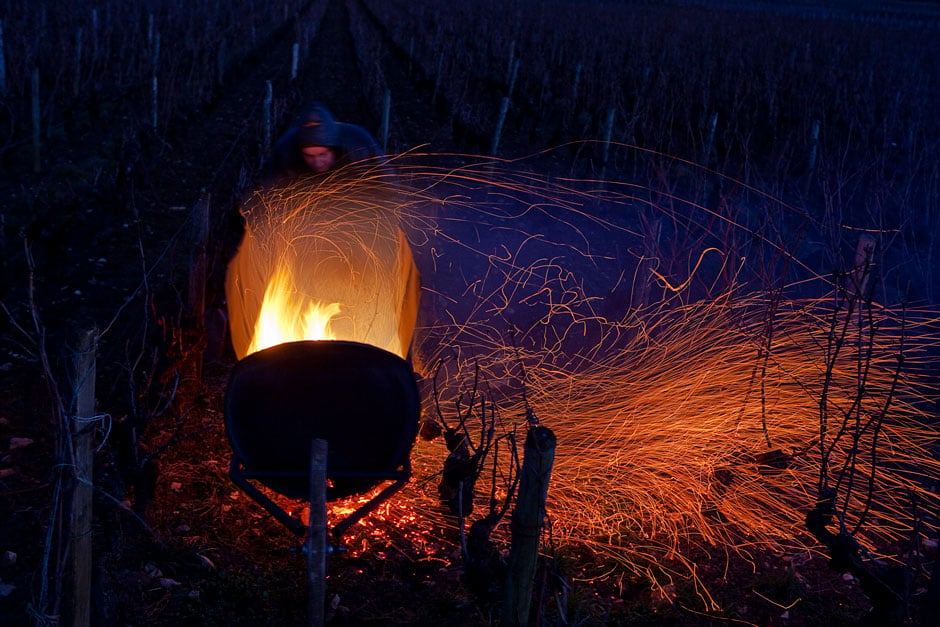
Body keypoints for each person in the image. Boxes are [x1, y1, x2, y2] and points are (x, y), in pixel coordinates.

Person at [261, 101, 385, 184]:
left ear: (334, 148)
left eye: (323, 154)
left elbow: (388, 186)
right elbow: (268, 191)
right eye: (309, 156)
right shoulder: (285, 150)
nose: (317, 162)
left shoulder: (360, 145)